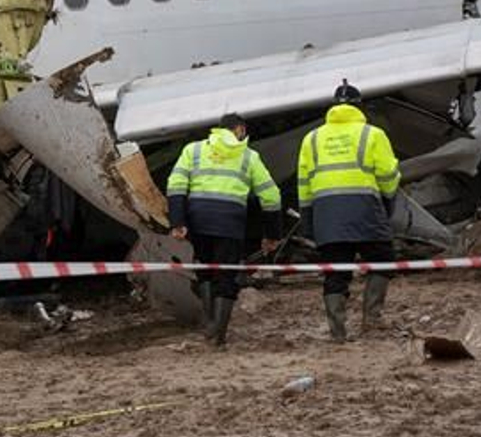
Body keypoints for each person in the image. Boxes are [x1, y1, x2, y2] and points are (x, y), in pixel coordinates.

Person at [297, 80, 401, 342]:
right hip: (365, 209)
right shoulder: (372, 134)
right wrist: (387, 203)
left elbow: (304, 184)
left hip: (326, 213)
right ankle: (372, 320)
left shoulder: (312, 139)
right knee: (382, 259)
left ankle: (337, 333)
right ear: (360, 107)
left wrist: (308, 220)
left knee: (335, 273)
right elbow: (388, 175)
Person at [167, 113, 281, 346]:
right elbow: (271, 196)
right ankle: (218, 334)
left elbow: (175, 184)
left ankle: (211, 325)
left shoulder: (194, 150)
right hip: (230, 221)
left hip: (198, 218)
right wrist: (272, 235)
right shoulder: (249, 156)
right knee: (226, 276)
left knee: (205, 271)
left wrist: (177, 222)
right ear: (239, 130)